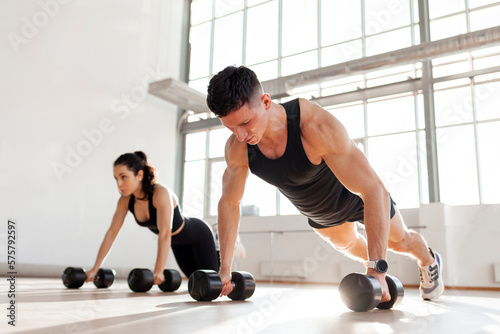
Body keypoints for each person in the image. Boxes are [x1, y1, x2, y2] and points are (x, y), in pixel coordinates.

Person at [206, 65, 444, 302]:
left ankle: (429, 261)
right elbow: (229, 203)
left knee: (399, 241)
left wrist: (376, 270)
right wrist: (224, 269)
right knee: (349, 245)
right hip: (320, 214)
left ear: (266, 101)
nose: (240, 135)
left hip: (357, 198)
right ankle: (376, 260)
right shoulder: (238, 149)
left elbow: (373, 189)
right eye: (231, 127)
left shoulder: (312, 125)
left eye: (245, 123)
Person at [85, 151, 219, 285]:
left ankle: (224, 246)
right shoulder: (125, 201)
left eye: (124, 177)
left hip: (199, 235)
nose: (119, 183)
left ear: (139, 175)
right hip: (177, 243)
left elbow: (165, 233)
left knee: (213, 281)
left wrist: (159, 270)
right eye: (116, 178)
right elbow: (111, 233)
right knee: (197, 281)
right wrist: (95, 269)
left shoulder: (160, 194)